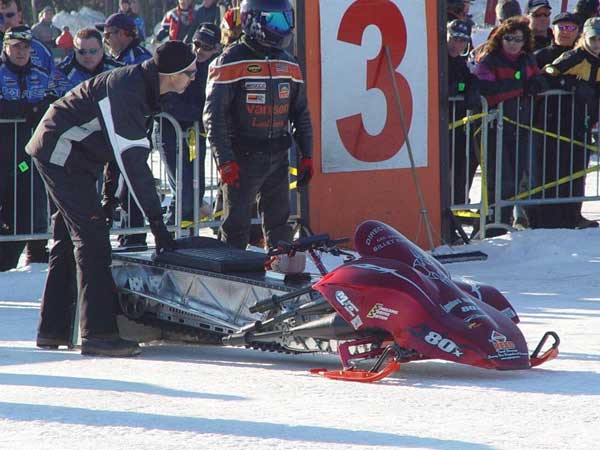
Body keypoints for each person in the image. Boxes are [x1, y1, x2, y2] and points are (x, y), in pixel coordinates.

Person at [27, 41, 197, 357]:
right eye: (190, 72)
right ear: (171, 73)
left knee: (67, 239)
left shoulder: (144, 89)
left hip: (73, 158)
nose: (193, 78)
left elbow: (116, 154)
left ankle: (51, 330)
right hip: (60, 154)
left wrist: (108, 197)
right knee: (92, 241)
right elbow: (134, 164)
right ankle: (99, 334)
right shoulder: (128, 91)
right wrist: (158, 225)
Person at [204, 0, 313, 251]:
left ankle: (283, 275)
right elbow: (213, 117)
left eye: (286, 20)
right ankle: (231, 283)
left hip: (278, 158)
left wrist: (307, 154)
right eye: (275, 20)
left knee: (279, 225)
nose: (283, 27)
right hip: (242, 159)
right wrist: (224, 160)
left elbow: (301, 114)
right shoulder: (229, 61)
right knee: (236, 226)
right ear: (253, 21)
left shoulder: (289, 63)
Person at [475, 17, 547, 230]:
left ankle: (504, 221)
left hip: (521, 126)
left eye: (519, 39)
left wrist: (537, 83)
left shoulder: (527, 60)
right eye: (509, 38)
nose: (513, 43)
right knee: (498, 179)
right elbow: (487, 90)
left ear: (525, 41)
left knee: (516, 178)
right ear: (501, 38)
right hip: (493, 128)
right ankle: (490, 223)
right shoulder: (489, 59)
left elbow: (539, 82)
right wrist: (519, 87)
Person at [0, 26, 57, 271]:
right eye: (15, 47)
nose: (20, 52)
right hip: (3, 154)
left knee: (30, 209)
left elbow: (55, 102)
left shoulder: (41, 74)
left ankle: (29, 255)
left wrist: (37, 109)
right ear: (6, 47)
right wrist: (24, 110)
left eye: (25, 47)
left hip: (26, 158)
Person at [157, 23, 221, 226]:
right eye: (197, 44)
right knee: (183, 187)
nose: (200, 50)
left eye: (207, 47)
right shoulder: (178, 57)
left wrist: (201, 118)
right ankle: (173, 230)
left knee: (196, 189)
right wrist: (198, 115)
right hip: (170, 129)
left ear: (217, 48)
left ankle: (186, 231)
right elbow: (168, 99)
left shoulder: (216, 66)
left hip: (196, 133)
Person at [542, 17, 600, 229]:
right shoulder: (575, 56)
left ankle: (575, 213)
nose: (597, 44)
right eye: (593, 38)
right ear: (584, 37)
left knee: (579, 170)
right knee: (560, 170)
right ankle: (557, 216)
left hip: (584, 124)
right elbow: (548, 72)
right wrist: (572, 84)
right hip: (561, 123)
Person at [447, 19, 480, 209]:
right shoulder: (439, 59)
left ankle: (459, 204)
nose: (457, 44)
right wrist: (459, 88)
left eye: (462, 41)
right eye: (454, 39)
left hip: (459, 124)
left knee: (462, 165)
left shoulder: (462, 61)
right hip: (442, 124)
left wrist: (471, 89)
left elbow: (470, 79)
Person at [56, 27, 124, 92]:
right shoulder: (62, 73)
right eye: (82, 52)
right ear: (75, 51)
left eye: (93, 51)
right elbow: (50, 101)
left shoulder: (118, 71)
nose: (87, 56)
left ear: (102, 50)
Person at [0, 0, 54, 73]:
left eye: (9, 15)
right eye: (0, 16)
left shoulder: (41, 49)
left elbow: (52, 80)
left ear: (19, 15)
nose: (4, 20)